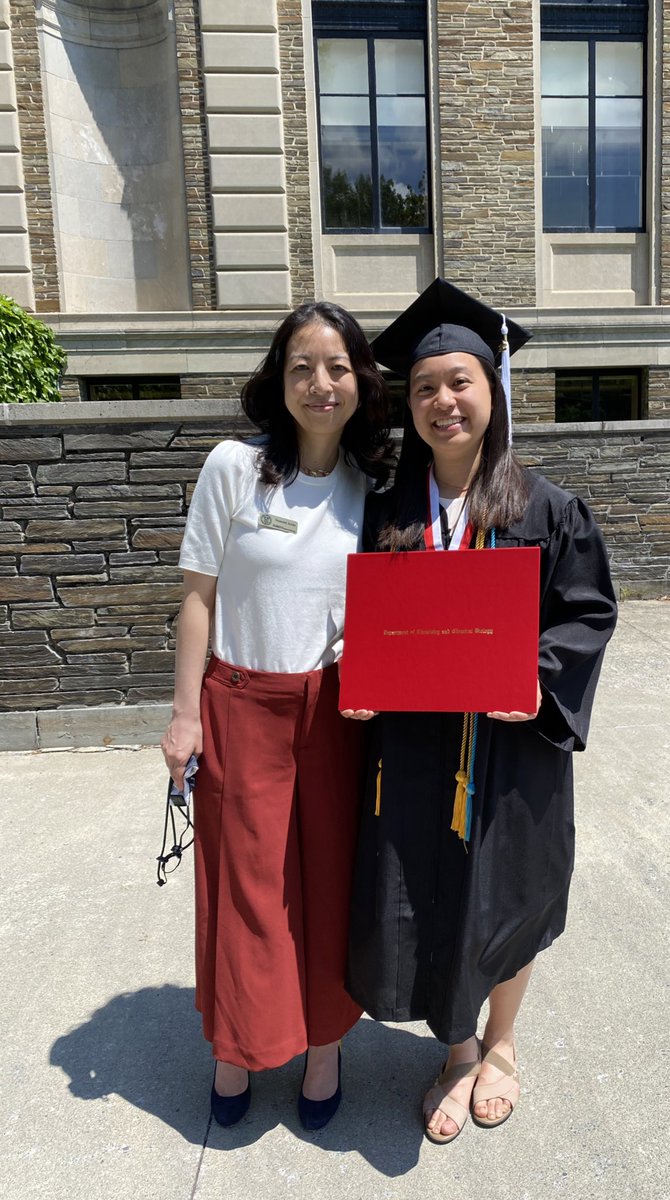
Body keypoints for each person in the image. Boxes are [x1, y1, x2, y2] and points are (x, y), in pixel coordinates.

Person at [341, 279, 617, 1143]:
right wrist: (354, 671)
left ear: (491, 390)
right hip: (416, 747)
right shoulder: (385, 507)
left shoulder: (546, 507)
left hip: (510, 747)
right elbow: (352, 614)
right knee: (425, 889)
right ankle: (456, 1053)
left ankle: (500, 1045)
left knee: (508, 895)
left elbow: (587, 613)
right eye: (424, 388)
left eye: (458, 381)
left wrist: (535, 678)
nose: (441, 401)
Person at [160, 302, 393, 1130]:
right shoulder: (233, 467)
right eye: (302, 367)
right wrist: (184, 715)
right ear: (278, 378)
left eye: (336, 367)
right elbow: (198, 598)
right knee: (245, 891)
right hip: (240, 703)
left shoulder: (374, 489)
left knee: (329, 887)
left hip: (336, 714)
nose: (319, 383)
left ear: (360, 382)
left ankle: (324, 1049)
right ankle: (235, 1049)